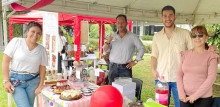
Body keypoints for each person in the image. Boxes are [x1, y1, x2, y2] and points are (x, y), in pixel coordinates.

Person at [151, 5, 193, 107]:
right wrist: (153, 69)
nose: (168, 18)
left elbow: (193, 52)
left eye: (170, 15)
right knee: (161, 105)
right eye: (165, 16)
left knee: (181, 105)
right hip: (161, 78)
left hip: (180, 79)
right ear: (162, 18)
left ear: (175, 17)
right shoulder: (157, 37)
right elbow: (153, 55)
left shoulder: (185, 33)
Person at [2, 21, 48, 107]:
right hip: (16, 81)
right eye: (33, 32)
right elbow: (5, 61)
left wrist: (40, 85)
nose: (35, 35)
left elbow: (42, 68)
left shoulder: (42, 49)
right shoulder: (16, 42)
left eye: (38, 33)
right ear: (27, 31)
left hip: (33, 81)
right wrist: (6, 81)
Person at [176, 26, 219, 107]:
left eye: (200, 35)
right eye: (194, 36)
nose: (197, 38)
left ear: (206, 37)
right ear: (191, 38)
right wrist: (181, 93)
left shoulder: (211, 56)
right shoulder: (185, 54)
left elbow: (211, 78)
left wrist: (195, 96)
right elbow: (179, 74)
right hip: (185, 97)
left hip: (203, 99)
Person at [104, 14, 145, 85]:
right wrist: (108, 41)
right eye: (118, 23)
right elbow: (106, 50)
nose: (120, 25)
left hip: (125, 68)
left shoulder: (132, 37)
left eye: (122, 22)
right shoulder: (113, 36)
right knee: (112, 91)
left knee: (125, 91)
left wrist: (135, 61)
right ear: (116, 23)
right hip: (113, 67)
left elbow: (142, 48)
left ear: (126, 23)